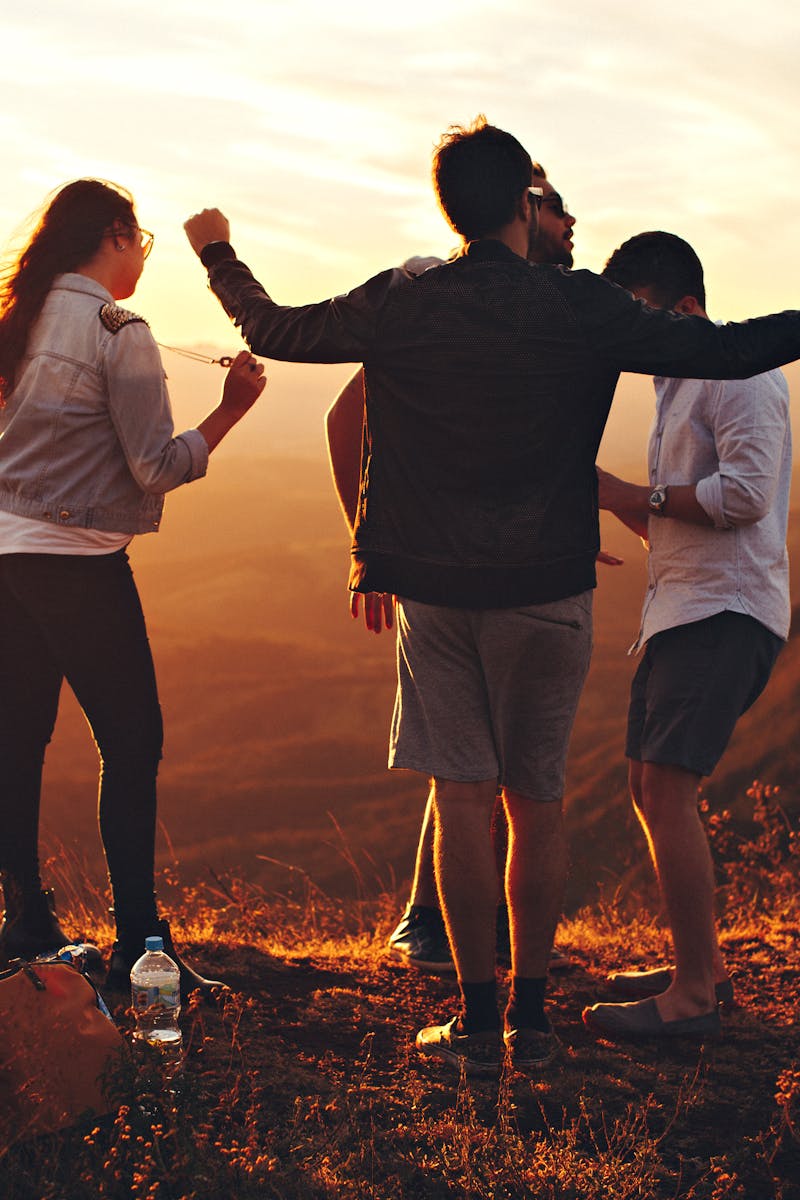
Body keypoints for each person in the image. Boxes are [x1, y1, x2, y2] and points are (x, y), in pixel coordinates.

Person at [184, 115, 800, 1074]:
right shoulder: (581, 306)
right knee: (538, 804)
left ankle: (474, 1029)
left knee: (462, 799)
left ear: (450, 207)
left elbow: (276, 330)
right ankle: (533, 1024)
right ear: (524, 203)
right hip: (549, 590)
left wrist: (219, 253)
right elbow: (727, 348)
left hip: (434, 590)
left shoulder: (406, 295)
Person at [0, 179, 266, 1001]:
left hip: (4, 556)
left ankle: (25, 921)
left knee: (18, 739)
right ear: (113, 235)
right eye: (140, 241)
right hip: (79, 562)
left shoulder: (18, 319)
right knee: (132, 743)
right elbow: (156, 466)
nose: (142, 258)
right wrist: (231, 411)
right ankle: (141, 947)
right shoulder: (120, 331)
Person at [325, 165, 578, 974]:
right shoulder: (437, 294)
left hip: (501, 563)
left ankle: (454, 932)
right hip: (445, 567)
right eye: (556, 206)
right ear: (519, 211)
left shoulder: (538, 311)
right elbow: (346, 414)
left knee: (479, 763)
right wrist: (370, 545)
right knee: (469, 766)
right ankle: (433, 924)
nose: (573, 223)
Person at [581, 232, 790, 1041]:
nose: (631, 335)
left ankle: (695, 994)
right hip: (684, 608)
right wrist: (607, 500)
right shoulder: (677, 384)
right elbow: (676, 514)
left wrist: (635, 491)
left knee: (667, 788)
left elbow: (741, 498)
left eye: (640, 314)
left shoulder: (739, 377)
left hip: (725, 614)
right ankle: (699, 966)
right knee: (648, 785)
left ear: (689, 307)